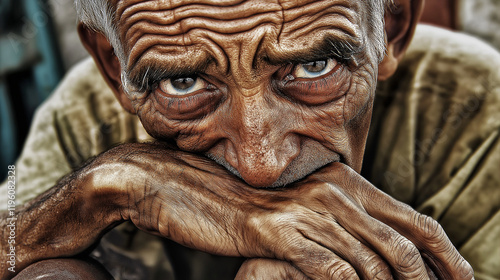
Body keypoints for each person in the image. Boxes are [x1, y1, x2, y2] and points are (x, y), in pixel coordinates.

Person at [1, 0, 498, 278]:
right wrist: (96, 196)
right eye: (184, 82)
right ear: (113, 65)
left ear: (390, 26)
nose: (262, 164)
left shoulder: (476, 104)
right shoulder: (83, 116)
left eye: (312, 66)